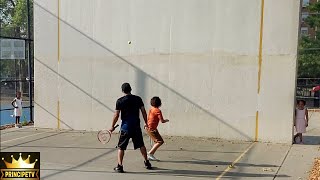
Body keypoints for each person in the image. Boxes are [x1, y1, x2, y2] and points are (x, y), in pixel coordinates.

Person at [109, 83, 152, 173]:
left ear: (122, 90)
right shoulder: (138, 99)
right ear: (131, 89)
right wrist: (147, 123)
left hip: (125, 128)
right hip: (136, 127)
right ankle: (147, 162)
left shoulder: (119, 101)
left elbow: (116, 115)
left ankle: (120, 166)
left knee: (121, 147)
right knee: (141, 145)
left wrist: (112, 126)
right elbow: (144, 112)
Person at [146, 96, 169, 161]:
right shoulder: (158, 111)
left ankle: (151, 154)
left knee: (157, 141)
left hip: (148, 127)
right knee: (160, 141)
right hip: (152, 129)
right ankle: (150, 153)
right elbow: (162, 121)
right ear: (159, 103)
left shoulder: (151, 109)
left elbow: (148, 118)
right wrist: (166, 120)